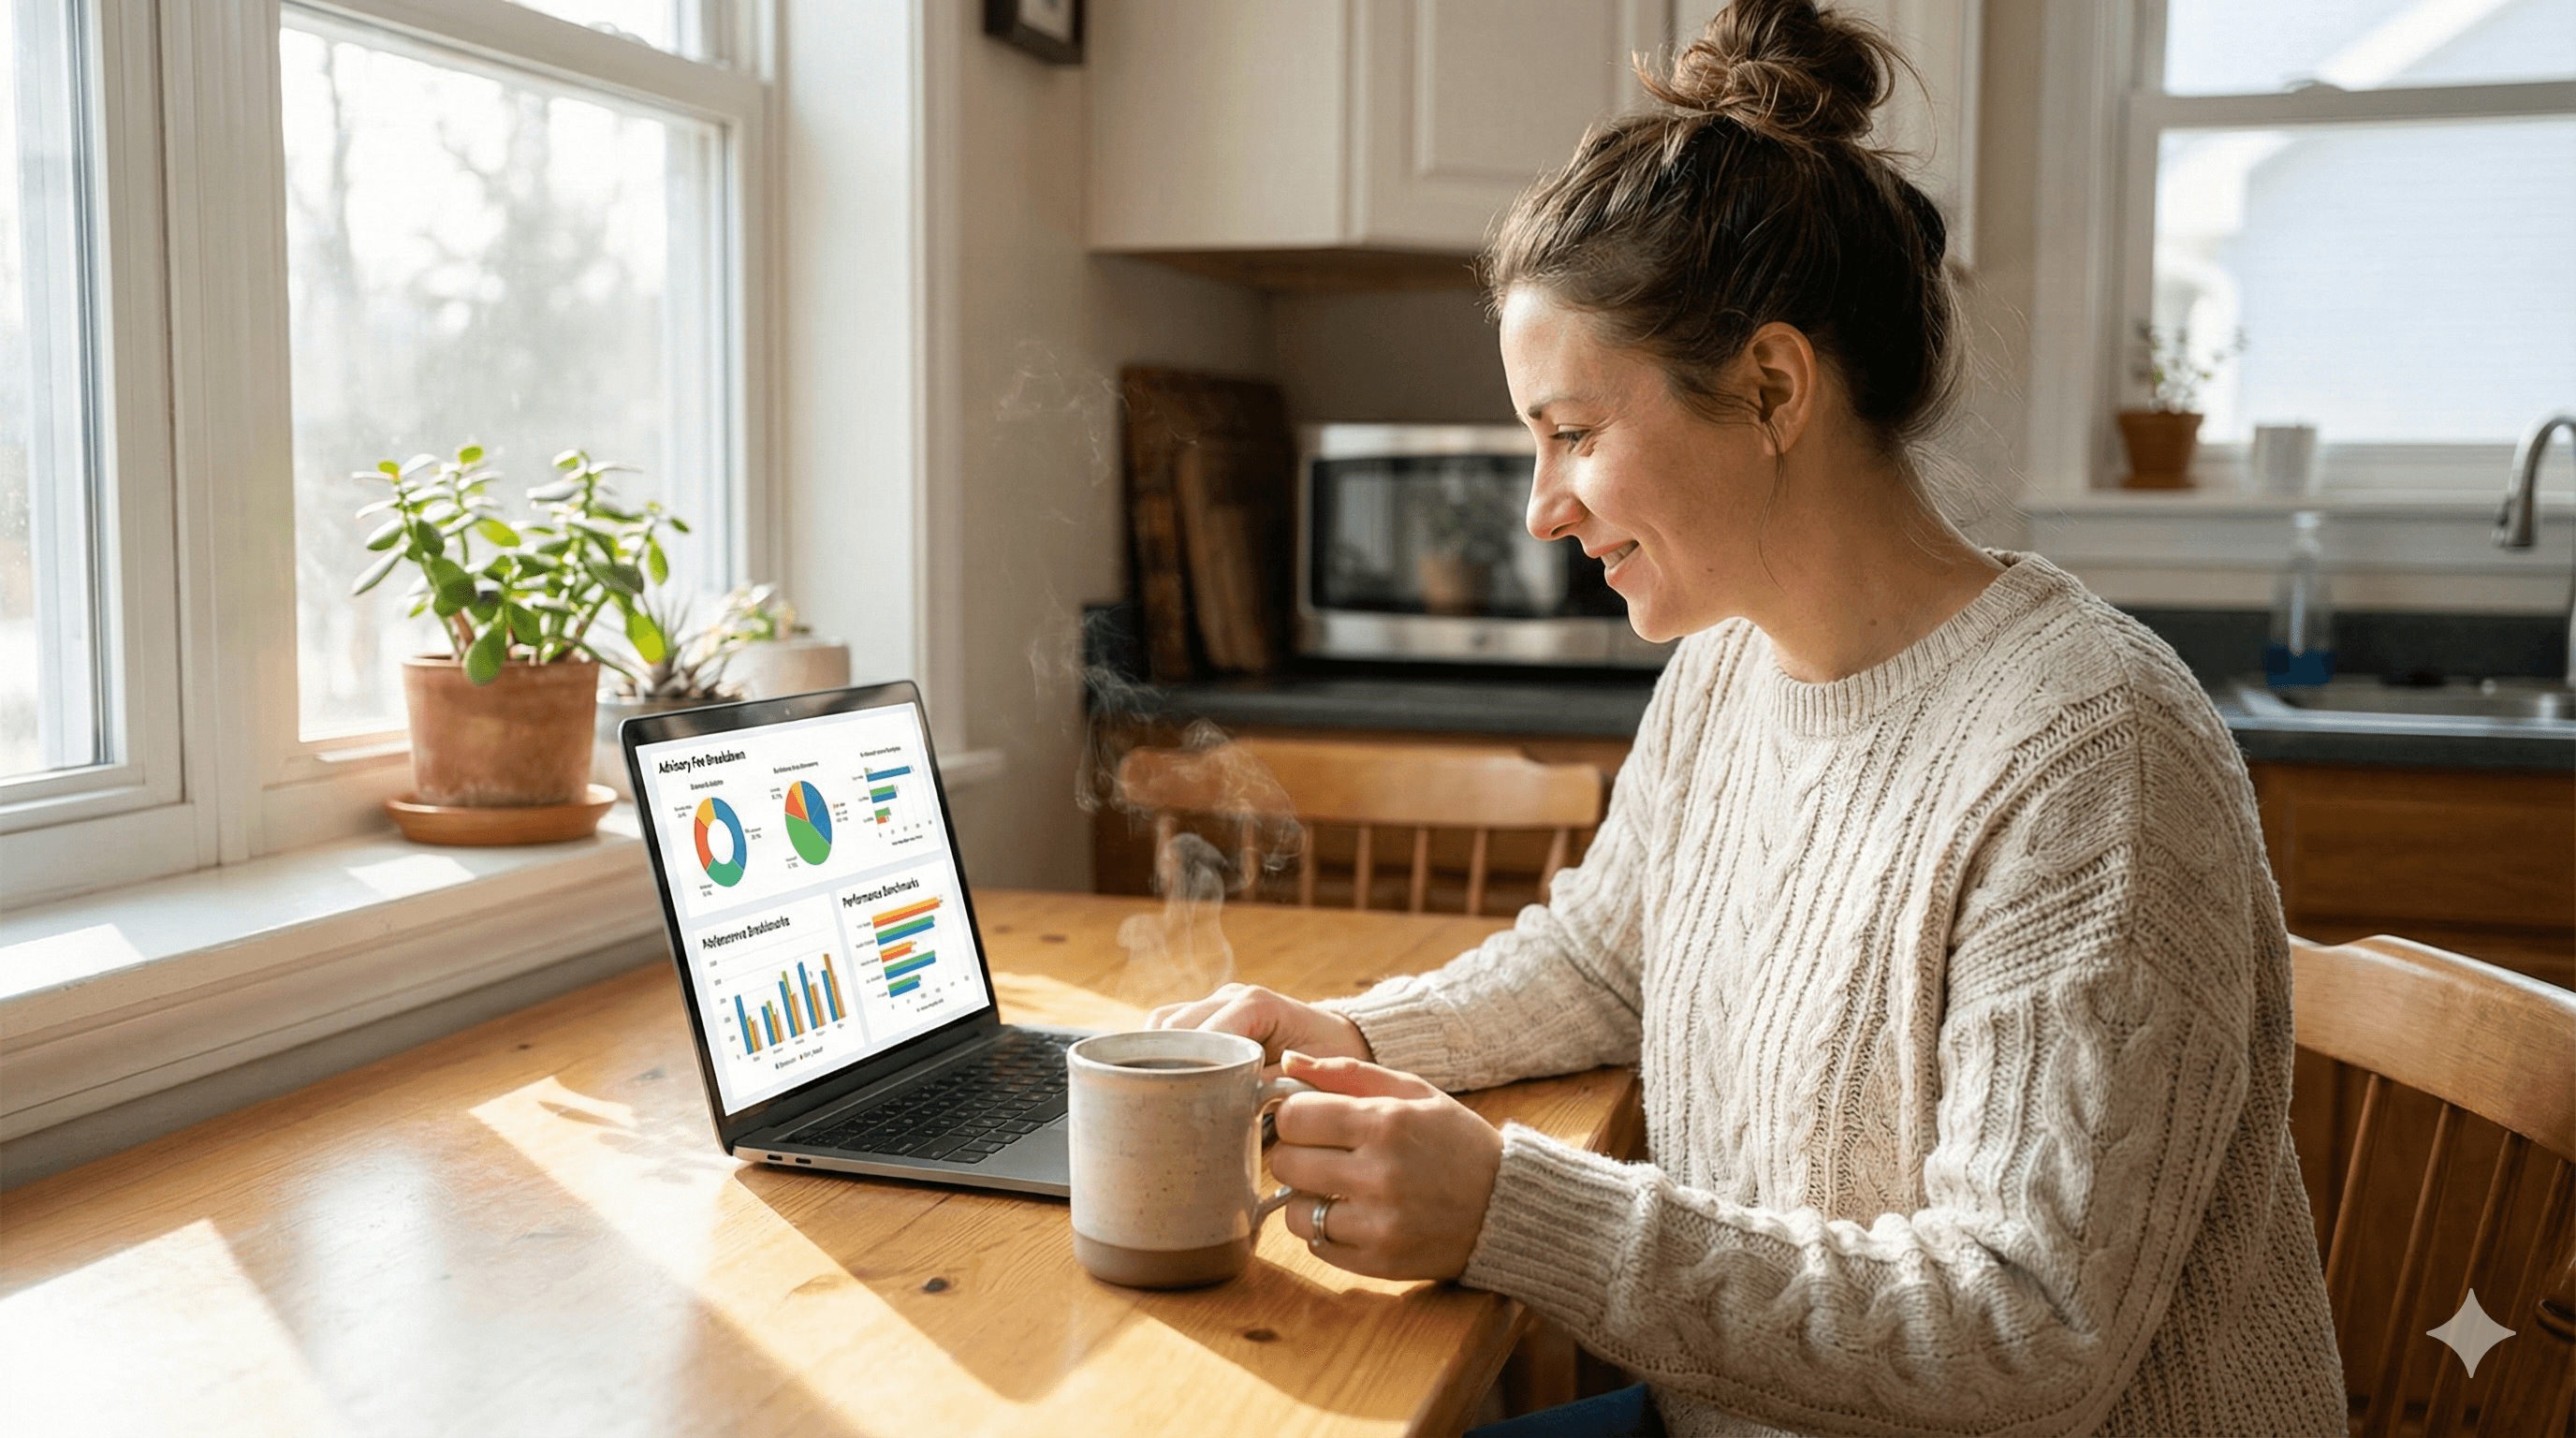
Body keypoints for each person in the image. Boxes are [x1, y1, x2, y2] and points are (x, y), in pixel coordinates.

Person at [1148, 2, 2349, 1434]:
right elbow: (1603, 962)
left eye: (1575, 435)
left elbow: (2031, 1327)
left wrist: (1513, 1210)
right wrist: (1342, 1029)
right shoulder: (1727, 670)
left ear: (1773, 387)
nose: (1541, 509)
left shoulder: (2092, 749)